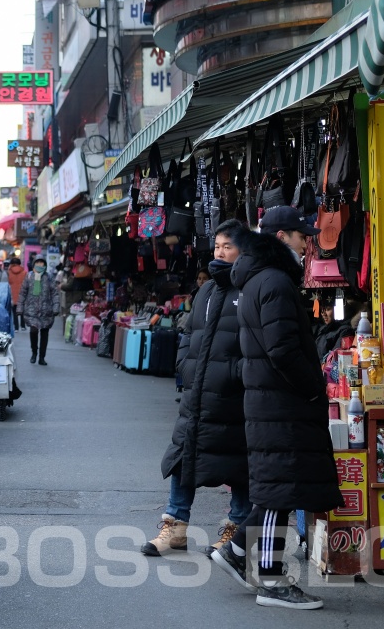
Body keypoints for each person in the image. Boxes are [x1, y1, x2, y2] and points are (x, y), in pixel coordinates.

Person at [211, 205, 341, 610]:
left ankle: (235, 554)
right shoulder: (275, 282)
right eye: (303, 236)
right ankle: (271, 582)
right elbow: (283, 350)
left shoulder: (258, 280)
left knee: (277, 489)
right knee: (279, 492)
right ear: (282, 237)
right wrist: (314, 388)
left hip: (271, 399)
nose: (308, 244)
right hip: (281, 401)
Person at [143, 220, 251, 557]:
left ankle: (233, 531)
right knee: (183, 457)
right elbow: (188, 333)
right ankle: (174, 527)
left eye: (227, 247)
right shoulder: (206, 290)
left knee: (239, 465)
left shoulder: (251, 288)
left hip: (234, 398)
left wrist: (237, 374)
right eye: (217, 246)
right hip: (197, 393)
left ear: (243, 251)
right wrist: (184, 366)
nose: (220, 252)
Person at [18, 257, 57, 365]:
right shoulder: (29, 276)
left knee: (45, 334)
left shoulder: (49, 277)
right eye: (38, 263)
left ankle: (42, 357)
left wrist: (56, 307)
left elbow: (54, 293)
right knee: (33, 331)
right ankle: (34, 352)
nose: (40, 265)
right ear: (34, 264)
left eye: (42, 263)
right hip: (32, 310)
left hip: (46, 310)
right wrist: (20, 308)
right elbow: (22, 293)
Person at [7, 256, 27, 330]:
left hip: (12, 294)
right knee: (22, 310)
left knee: (14, 311)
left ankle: (16, 327)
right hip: (22, 293)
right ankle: (23, 326)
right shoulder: (24, 272)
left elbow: (8, 283)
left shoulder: (9, 272)